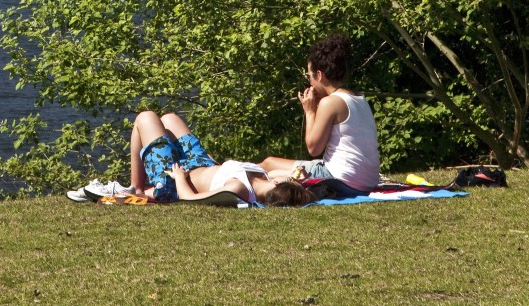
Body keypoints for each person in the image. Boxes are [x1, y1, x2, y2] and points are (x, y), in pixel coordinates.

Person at [260, 33, 381, 192]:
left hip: (340, 179)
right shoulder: (358, 98)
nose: (309, 81)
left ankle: (228, 178)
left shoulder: (330, 102)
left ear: (319, 75)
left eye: (309, 76)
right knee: (269, 163)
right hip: (366, 180)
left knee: (268, 168)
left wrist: (310, 112)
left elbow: (313, 149)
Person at [127, 110, 311, 206]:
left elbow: (189, 199)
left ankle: (137, 188)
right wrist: (296, 173)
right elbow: (281, 174)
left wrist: (180, 179)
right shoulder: (263, 177)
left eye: (291, 181)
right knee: (169, 119)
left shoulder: (237, 189)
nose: (292, 178)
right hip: (201, 162)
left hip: (173, 178)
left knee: (145, 118)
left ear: (278, 185)